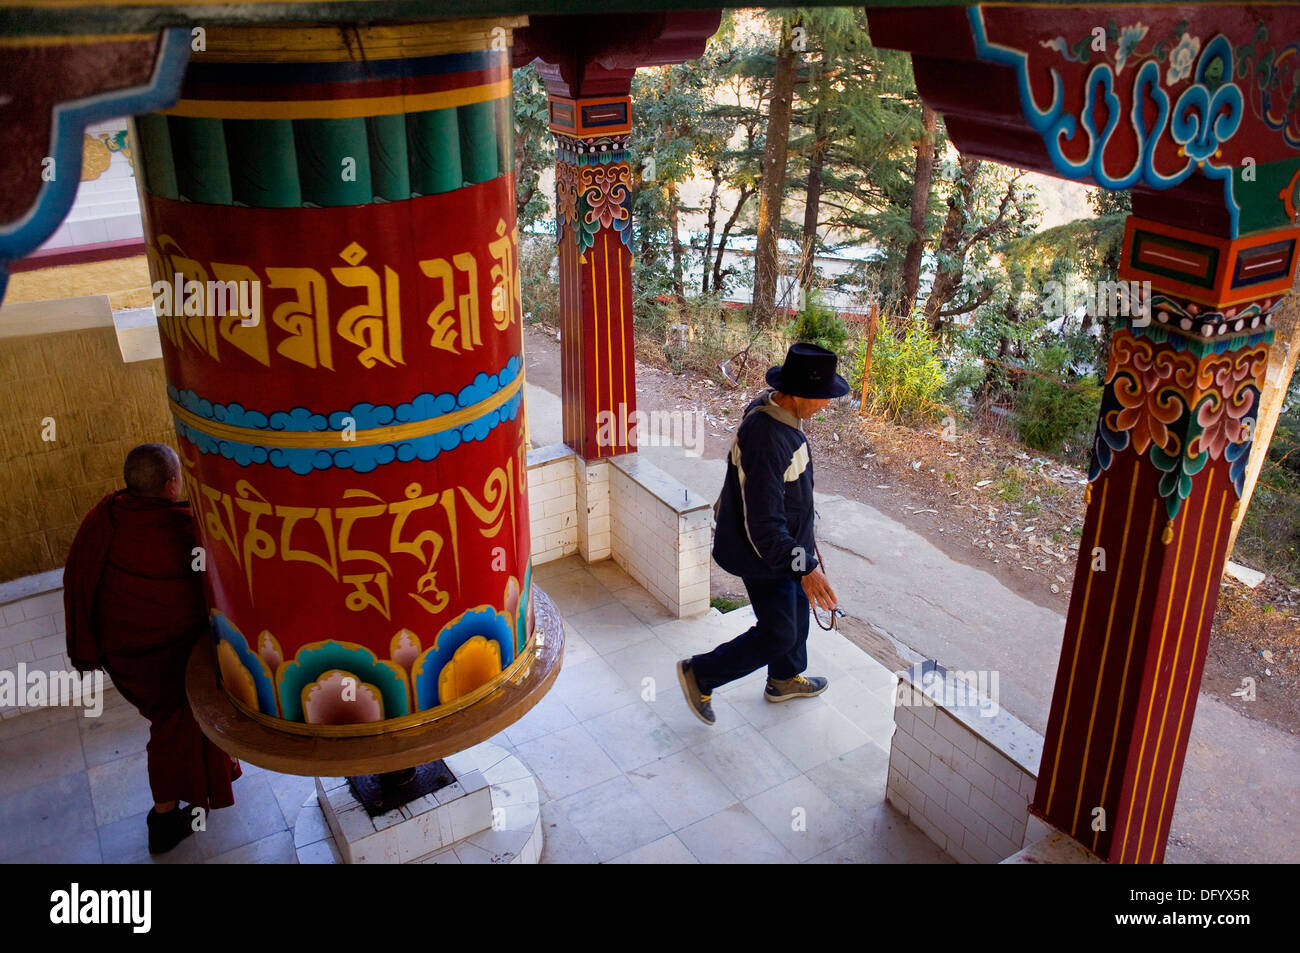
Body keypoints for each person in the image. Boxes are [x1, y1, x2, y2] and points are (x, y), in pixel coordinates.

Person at [64, 443, 240, 853]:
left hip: (121, 655)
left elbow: (78, 576)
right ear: (171, 483)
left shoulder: (105, 515)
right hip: (163, 657)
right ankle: (163, 818)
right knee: (173, 725)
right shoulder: (178, 528)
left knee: (178, 723)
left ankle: (198, 788)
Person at [677, 342, 847, 725]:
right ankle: (701, 673)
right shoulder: (769, 439)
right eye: (821, 398)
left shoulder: (777, 411)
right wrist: (804, 565)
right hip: (764, 556)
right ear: (798, 393)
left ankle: (784, 679)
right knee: (779, 633)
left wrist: (804, 555)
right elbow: (765, 528)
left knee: (797, 614)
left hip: (786, 550)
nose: (825, 405)